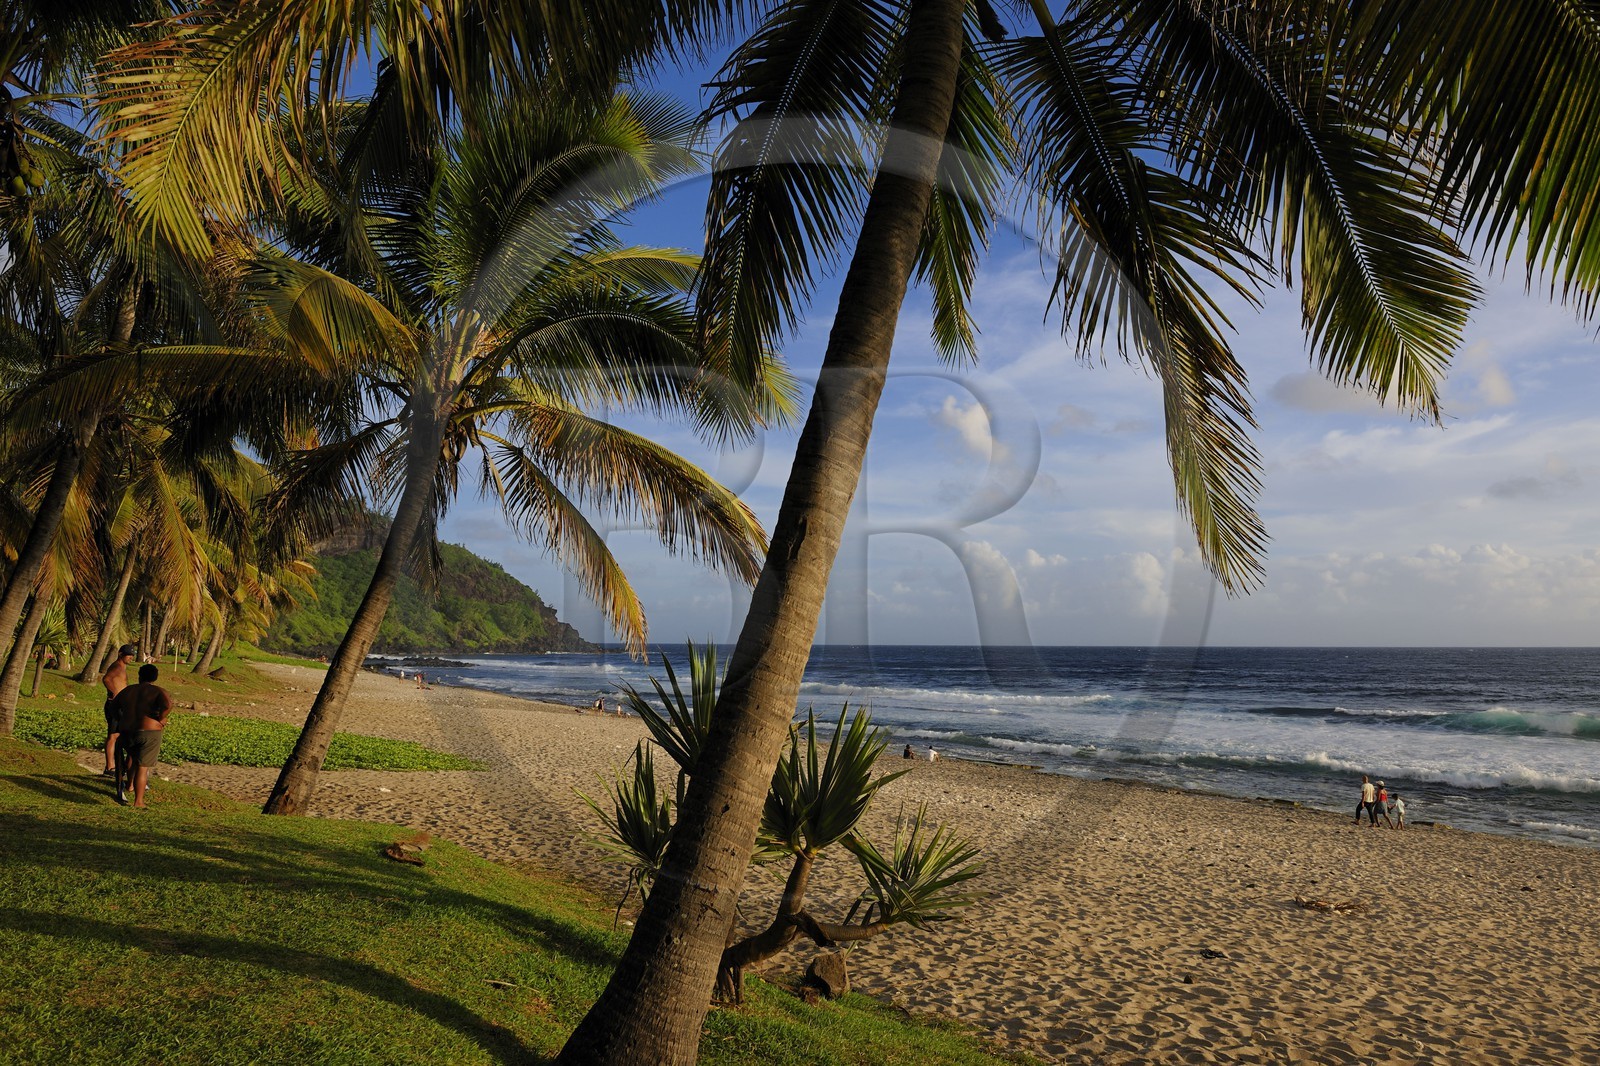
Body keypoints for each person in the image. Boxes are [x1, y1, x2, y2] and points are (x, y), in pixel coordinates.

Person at [109, 664, 173, 809]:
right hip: (149, 732)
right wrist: (161, 718)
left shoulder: (128, 690)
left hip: (127, 731)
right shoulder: (157, 691)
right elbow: (168, 704)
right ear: (155, 677)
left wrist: (121, 718)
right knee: (142, 767)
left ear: (139, 675)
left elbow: (113, 707)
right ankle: (138, 801)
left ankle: (130, 785)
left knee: (132, 757)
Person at [101, 645, 138, 777]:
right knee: (113, 736)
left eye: (132, 655)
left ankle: (117, 765)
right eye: (128, 655)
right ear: (120, 654)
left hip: (119, 705)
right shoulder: (117, 666)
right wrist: (114, 694)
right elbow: (106, 679)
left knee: (118, 735)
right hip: (115, 705)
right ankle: (109, 767)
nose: (131, 657)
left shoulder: (121, 667)